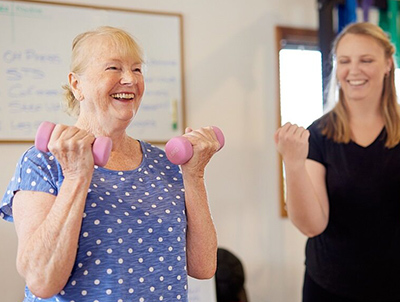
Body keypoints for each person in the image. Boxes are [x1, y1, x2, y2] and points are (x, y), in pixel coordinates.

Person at [0, 26, 219, 302]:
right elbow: (41, 281)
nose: (129, 79)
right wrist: (77, 175)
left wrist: (195, 174)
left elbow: (203, 267)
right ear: (77, 85)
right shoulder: (43, 162)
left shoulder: (165, 164)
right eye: (114, 68)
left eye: (137, 70)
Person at [275, 22, 400, 302]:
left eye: (366, 60)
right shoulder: (318, 135)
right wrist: (293, 165)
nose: (353, 70)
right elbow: (312, 226)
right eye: (344, 61)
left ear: (388, 64)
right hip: (331, 287)